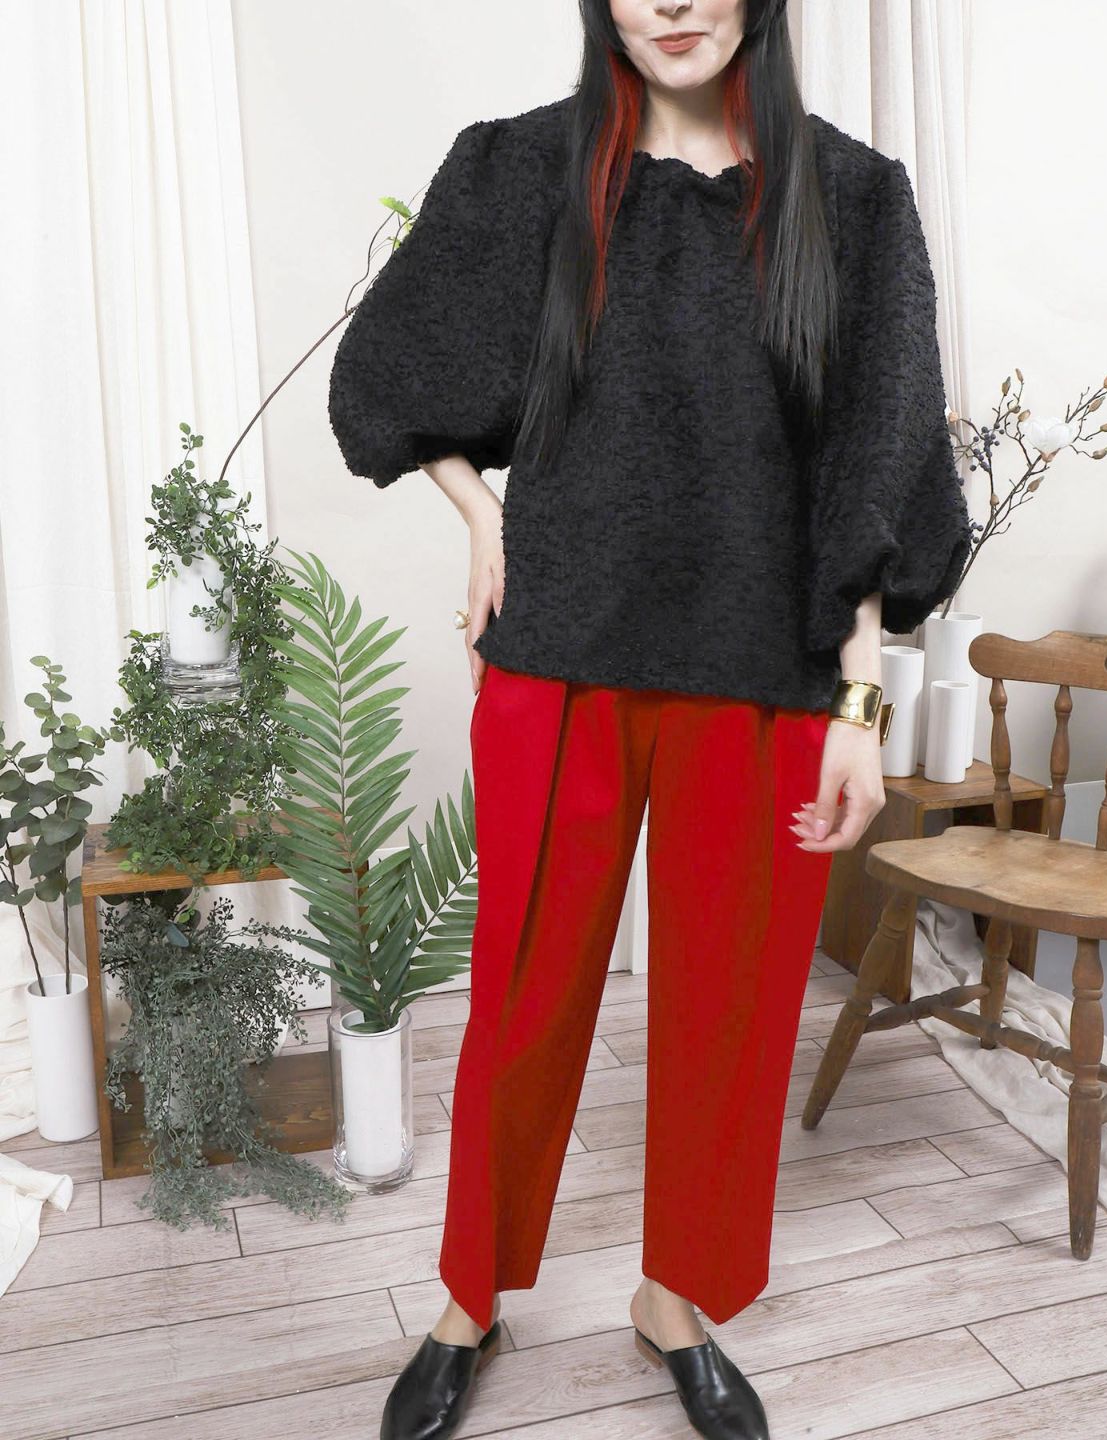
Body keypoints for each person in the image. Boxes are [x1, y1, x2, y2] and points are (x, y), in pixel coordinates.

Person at [328, 2, 972, 1436]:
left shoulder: (855, 199)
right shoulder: (522, 168)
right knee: (522, 998)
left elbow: (875, 465)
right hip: (562, 652)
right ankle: (471, 1298)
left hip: (767, 669)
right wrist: (481, 514)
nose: (673, 3)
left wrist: (862, 698)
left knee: (732, 1012)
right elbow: (391, 371)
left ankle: (677, 1297)